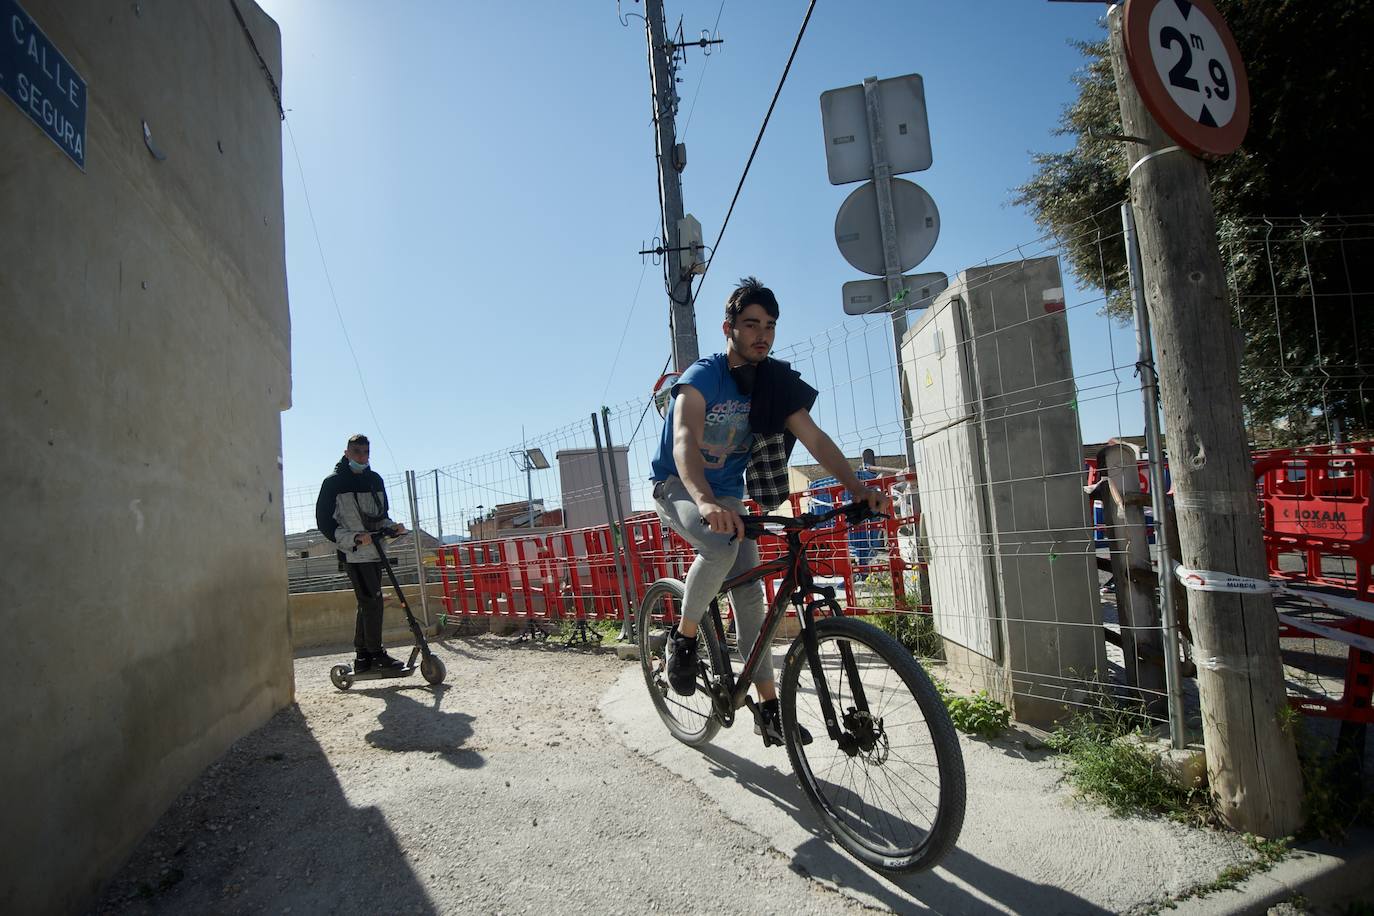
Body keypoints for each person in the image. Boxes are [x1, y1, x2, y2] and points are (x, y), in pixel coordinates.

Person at [649, 277, 891, 746]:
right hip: (678, 485)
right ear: (729, 328)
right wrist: (703, 501)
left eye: (770, 326)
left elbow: (815, 438)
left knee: (751, 598)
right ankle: (684, 638)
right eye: (751, 324)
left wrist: (858, 489)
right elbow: (683, 441)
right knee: (720, 547)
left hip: (727, 495)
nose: (762, 334)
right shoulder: (703, 376)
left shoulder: (773, 382)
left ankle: (767, 708)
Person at [315, 434, 408, 674]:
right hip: (354, 553)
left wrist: (392, 527)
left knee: (368, 602)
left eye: (366, 452)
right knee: (372, 601)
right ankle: (376, 654)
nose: (362, 457)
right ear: (346, 453)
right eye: (356, 452)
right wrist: (354, 538)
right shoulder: (333, 483)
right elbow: (325, 523)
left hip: (376, 551)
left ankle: (363, 657)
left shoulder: (374, 480)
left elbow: (381, 515)